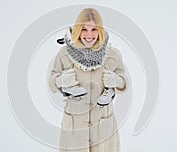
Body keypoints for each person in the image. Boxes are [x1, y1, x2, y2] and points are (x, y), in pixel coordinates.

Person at [49, 8, 128, 152]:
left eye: (94, 29)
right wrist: (60, 81)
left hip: (103, 126)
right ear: (78, 30)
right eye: (84, 29)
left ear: (100, 31)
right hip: (74, 127)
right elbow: (52, 82)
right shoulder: (64, 54)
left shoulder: (113, 55)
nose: (89, 35)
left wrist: (116, 80)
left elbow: (124, 83)